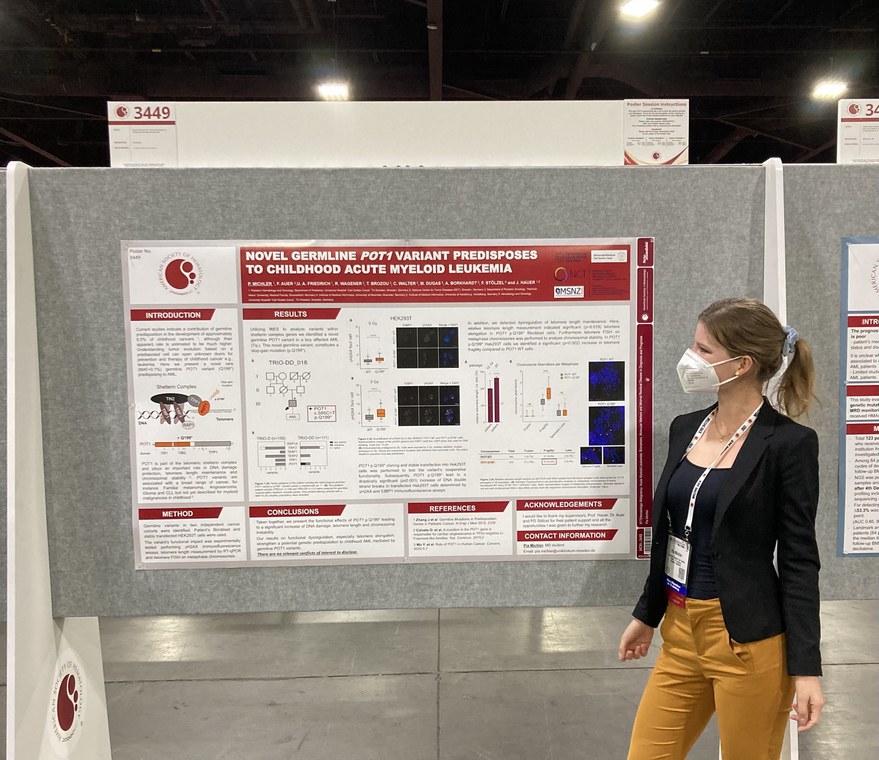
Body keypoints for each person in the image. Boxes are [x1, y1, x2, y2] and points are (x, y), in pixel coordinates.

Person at [618, 298, 825, 760]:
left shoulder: (788, 444)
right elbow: (672, 534)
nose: (690, 358)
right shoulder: (685, 428)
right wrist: (647, 615)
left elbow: (799, 561)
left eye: (704, 350)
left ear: (742, 364)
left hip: (746, 641)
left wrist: (806, 668)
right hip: (680, 633)